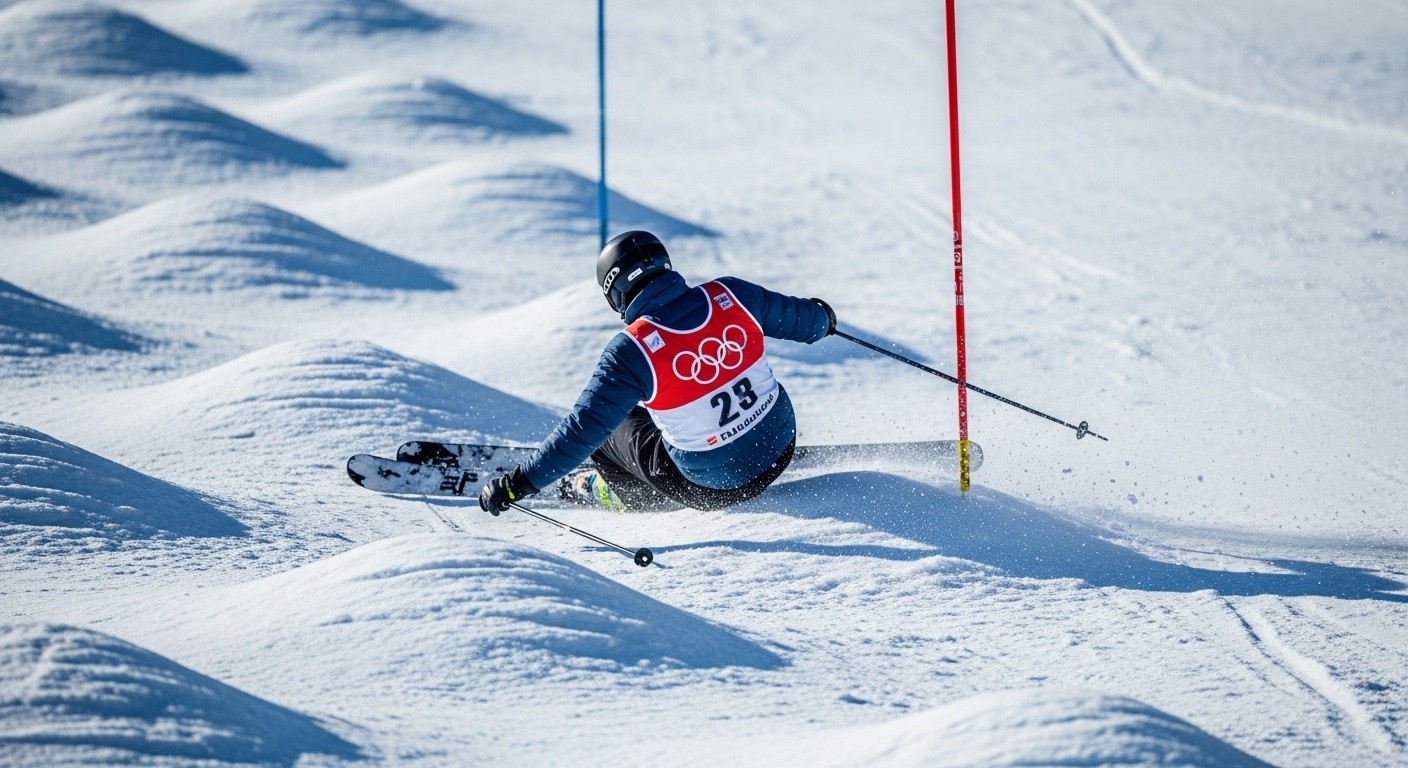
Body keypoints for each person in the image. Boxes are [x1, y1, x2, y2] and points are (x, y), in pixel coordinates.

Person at [478, 230, 836, 515]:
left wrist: (518, 484)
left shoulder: (631, 351)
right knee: (661, 395)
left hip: (712, 489)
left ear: (615, 294)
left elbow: (580, 431)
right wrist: (823, 317)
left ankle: (626, 498)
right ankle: (741, 438)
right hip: (781, 449)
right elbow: (809, 323)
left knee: (605, 429)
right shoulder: (731, 293)